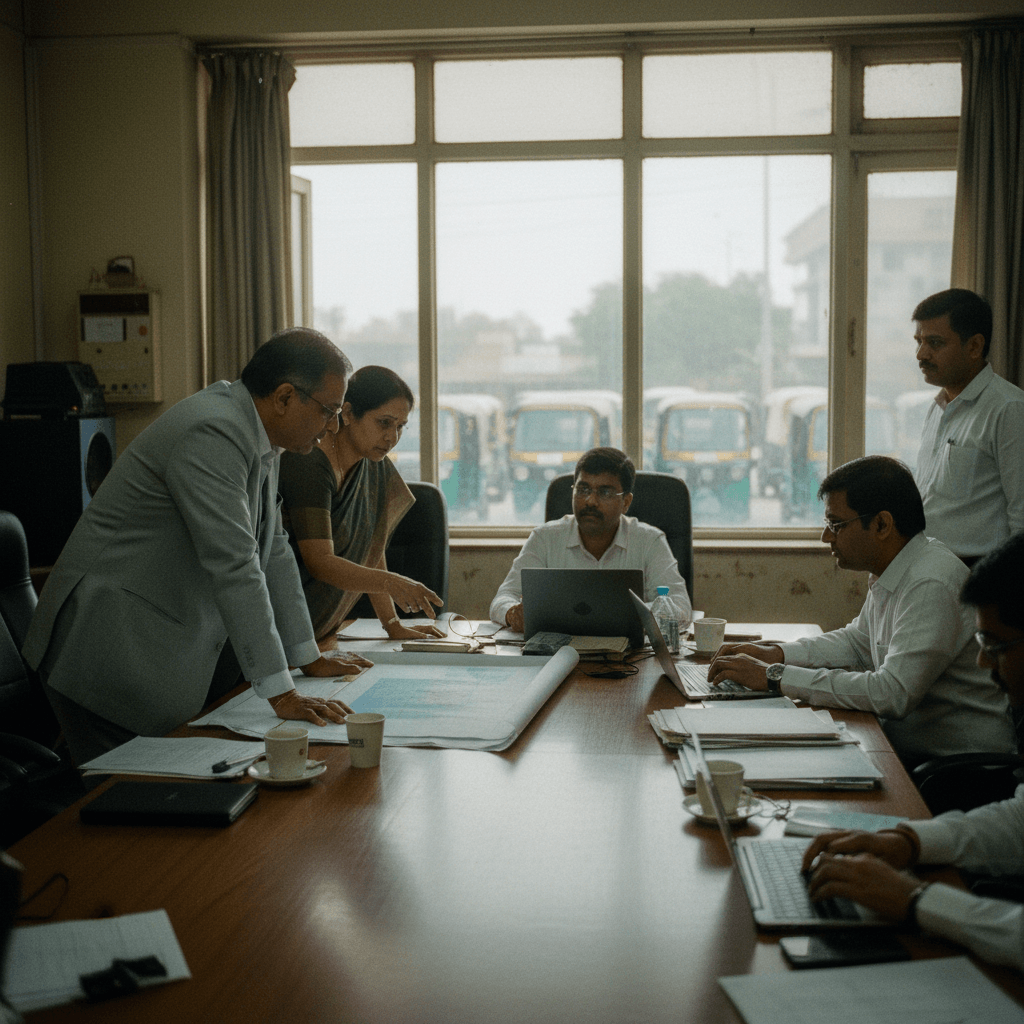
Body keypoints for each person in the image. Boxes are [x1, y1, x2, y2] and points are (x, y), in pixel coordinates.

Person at [22, 327, 371, 766]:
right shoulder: (214, 431)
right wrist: (282, 693)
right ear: (284, 397)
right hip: (107, 649)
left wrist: (306, 655)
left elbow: (274, 547)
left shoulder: (261, 437)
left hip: (150, 648)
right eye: (329, 411)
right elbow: (235, 565)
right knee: (133, 809)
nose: (332, 428)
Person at [802, 533, 1024, 971]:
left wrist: (918, 900)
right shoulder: (888, 577)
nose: (983, 664)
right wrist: (907, 842)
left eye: (996, 646)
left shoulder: (930, 579)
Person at [707, 455, 1014, 767]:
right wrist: (776, 654)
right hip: (906, 754)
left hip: (958, 771)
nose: (826, 537)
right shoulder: (896, 568)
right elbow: (856, 642)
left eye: (836, 524)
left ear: (882, 524)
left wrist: (774, 676)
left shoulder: (930, 582)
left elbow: (891, 693)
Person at [278, 364, 443, 643]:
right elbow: (320, 562)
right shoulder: (309, 462)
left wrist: (392, 624)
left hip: (322, 633)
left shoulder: (373, 463)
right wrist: (392, 583)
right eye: (383, 423)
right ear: (349, 412)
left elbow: (372, 545)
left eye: (400, 426)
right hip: (282, 626)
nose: (392, 438)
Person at [489, 446, 692, 632]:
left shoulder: (649, 541)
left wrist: (635, 615)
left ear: (626, 502)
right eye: (583, 490)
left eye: (604, 492)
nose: (591, 501)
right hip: (557, 655)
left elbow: (681, 606)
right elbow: (503, 598)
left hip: (631, 661)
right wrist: (513, 614)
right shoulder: (545, 538)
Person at [912, 288, 1024, 562]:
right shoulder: (937, 408)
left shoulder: (1009, 409)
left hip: (979, 577)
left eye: (935, 343)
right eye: (919, 341)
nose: (921, 354)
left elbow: (1021, 518)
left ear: (974, 346)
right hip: (930, 568)